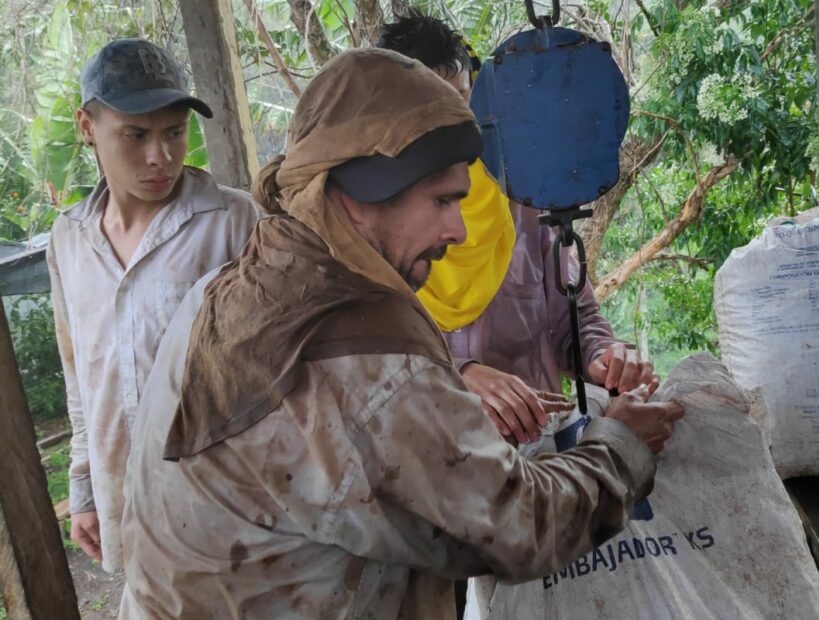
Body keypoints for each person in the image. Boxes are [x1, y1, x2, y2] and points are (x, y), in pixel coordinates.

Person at [118, 49, 683, 618]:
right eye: (441, 201)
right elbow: (521, 526)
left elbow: (576, 321)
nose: (458, 230)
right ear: (357, 196)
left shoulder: (224, 289)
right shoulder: (369, 363)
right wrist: (622, 445)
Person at [376, 12, 656, 447]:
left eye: (462, 104)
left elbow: (574, 319)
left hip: (543, 457)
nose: (455, 131)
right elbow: (362, 363)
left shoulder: (523, 201)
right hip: (432, 466)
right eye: (430, 114)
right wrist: (458, 373)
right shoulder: (362, 239)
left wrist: (604, 357)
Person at [46, 38, 260, 571]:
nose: (160, 157)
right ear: (87, 127)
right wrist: (84, 487)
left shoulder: (234, 222)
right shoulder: (69, 239)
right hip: (126, 502)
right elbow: (80, 374)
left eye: (174, 133)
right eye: (135, 135)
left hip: (227, 509)